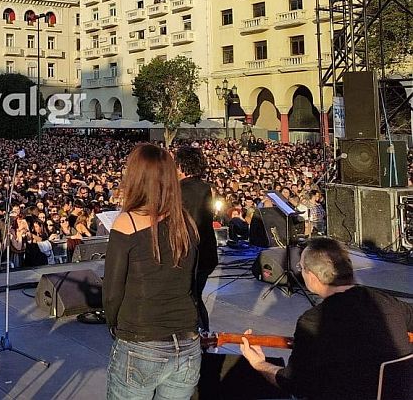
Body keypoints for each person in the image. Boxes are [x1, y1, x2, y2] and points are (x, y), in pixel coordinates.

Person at [240, 237, 413, 400]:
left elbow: (295, 384)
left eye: (301, 268)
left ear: (312, 277)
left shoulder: (313, 322)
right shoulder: (389, 302)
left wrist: (259, 363)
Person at [103, 144, 200, 400]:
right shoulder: (186, 222)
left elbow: (112, 292)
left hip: (141, 340)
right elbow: (192, 280)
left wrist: (113, 325)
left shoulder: (128, 222)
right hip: (188, 343)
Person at [175, 145, 217, 330]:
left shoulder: (178, 190)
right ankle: (204, 333)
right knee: (196, 296)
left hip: (189, 254)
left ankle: (196, 336)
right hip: (207, 253)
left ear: (181, 166)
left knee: (189, 298)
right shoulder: (206, 188)